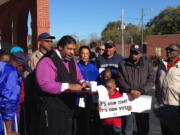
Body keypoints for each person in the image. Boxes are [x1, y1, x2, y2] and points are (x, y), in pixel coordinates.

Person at [35, 35, 89, 135]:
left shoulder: (71, 59)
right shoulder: (48, 60)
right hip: (53, 109)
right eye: (69, 49)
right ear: (60, 47)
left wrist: (83, 82)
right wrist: (69, 86)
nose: (72, 52)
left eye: (73, 49)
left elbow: (78, 75)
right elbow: (44, 84)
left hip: (69, 107)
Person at [117, 44, 155, 135]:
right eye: (132, 52)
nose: (133, 54)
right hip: (128, 98)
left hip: (142, 99)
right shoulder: (122, 64)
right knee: (127, 126)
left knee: (143, 126)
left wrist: (141, 91)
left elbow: (152, 79)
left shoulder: (147, 65)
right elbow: (120, 79)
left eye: (136, 53)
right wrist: (130, 90)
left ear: (141, 54)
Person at [0, 52, 31, 135]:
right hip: (4, 120)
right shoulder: (12, 74)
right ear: (19, 65)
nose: (24, 70)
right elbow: (9, 101)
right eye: (24, 67)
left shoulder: (2, 67)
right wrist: (9, 130)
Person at [155, 43, 180, 135]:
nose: (168, 51)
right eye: (167, 49)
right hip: (164, 104)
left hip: (177, 105)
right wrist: (157, 97)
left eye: (171, 50)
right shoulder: (162, 64)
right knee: (165, 131)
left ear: (178, 52)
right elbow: (157, 82)